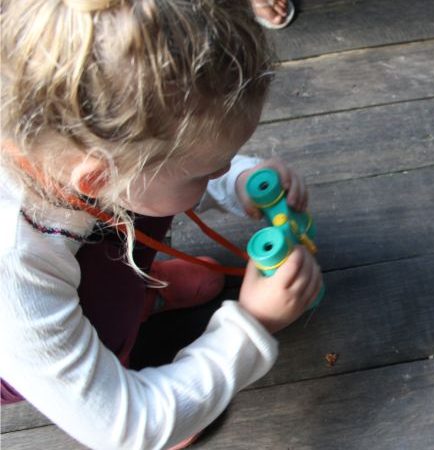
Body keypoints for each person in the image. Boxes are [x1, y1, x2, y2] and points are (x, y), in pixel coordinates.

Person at [0, 0, 321, 448]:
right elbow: (128, 425)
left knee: (146, 204)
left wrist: (240, 181)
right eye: (209, 171)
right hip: (14, 354)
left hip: (87, 226)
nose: (218, 173)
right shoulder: (15, 274)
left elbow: (160, 168)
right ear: (96, 178)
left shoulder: (74, 144)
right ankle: (121, 337)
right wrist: (251, 324)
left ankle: (136, 295)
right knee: (109, 316)